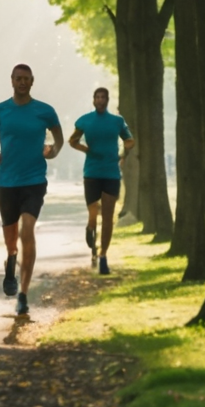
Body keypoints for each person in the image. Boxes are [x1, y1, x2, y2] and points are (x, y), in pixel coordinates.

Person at [0, 64, 63, 316]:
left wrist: (52, 151)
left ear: (32, 81)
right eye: (18, 78)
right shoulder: (0, 110)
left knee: (27, 231)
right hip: (7, 182)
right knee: (11, 237)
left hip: (34, 181)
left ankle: (24, 293)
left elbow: (59, 139)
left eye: (26, 79)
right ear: (12, 81)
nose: (22, 82)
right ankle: (11, 259)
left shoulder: (45, 111)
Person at [69, 88, 134, 275]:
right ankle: (90, 226)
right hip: (92, 173)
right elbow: (72, 140)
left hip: (111, 173)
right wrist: (86, 150)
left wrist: (124, 153)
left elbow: (130, 141)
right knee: (93, 212)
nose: (100, 100)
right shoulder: (85, 120)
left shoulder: (117, 121)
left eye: (103, 97)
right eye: (97, 97)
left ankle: (103, 256)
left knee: (107, 217)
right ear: (93, 100)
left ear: (107, 100)